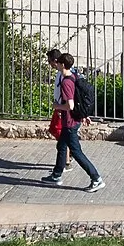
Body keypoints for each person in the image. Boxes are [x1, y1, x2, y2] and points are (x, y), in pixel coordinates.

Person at [42, 51, 104, 191]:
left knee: (76, 152)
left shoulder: (66, 82)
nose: (54, 64)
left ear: (62, 64)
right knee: (61, 146)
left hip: (70, 122)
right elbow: (78, 99)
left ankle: (96, 178)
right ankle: (56, 175)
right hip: (72, 120)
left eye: (57, 63)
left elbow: (69, 105)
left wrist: (57, 106)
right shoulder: (74, 76)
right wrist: (83, 114)